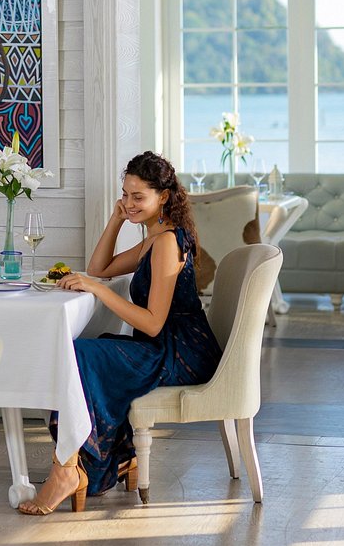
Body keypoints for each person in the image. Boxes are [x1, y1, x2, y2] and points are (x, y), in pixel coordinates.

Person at [17, 151, 222, 515]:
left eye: (138, 197)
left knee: (78, 355)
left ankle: (67, 469)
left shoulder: (167, 242)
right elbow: (99, 267)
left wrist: (99, 291)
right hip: (164, 347)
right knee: (83, 353)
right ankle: (111, 458)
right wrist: (116, 219)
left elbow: (152, 322)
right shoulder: (154, 237)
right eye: (125, 194)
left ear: (164, 196)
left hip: (181, 354)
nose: (129, 203)